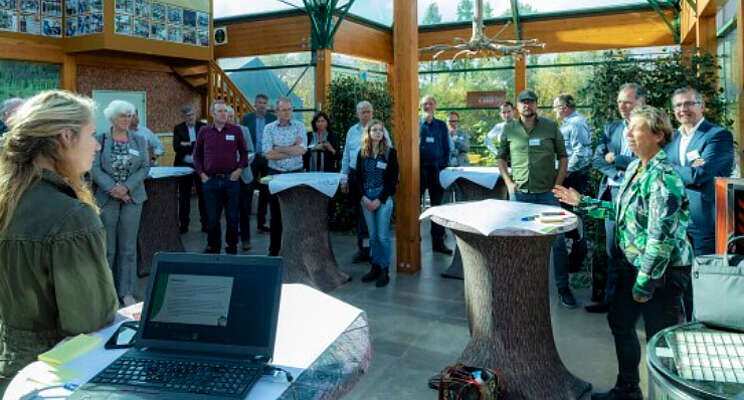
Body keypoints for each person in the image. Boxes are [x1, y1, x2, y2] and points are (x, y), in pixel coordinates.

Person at [554, 105, 692, 400]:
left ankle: (667, 394)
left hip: (660, 273)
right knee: (620, 323)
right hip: (631, 265)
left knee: (660, 339)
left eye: (635, 128)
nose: (626, 133)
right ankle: (627, 390)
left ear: (657, 135)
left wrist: (644, 283)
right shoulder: (634, 167)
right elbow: (622, 212)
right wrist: (583, 202)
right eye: (627, 128)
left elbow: (660, 237)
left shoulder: (663, 177)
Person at [0, 90, 118, 394]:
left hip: (10, 369)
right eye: (92, 134)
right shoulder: (72, 217)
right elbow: (90, 323)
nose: (96, 144)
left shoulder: (9, 199)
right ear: (66, 136)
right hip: (54, 376)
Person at [495, 89, 574, 308]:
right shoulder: (509, 129)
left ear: (536, 105)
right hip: (520, 196)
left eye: (531, 102)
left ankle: (563, 288)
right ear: (518, 107)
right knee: (517, 242)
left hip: (547, 194)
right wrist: (509, 184)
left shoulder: (550, 127)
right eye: (523, 102)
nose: (527, 106)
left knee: (558, 241)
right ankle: (519, 286)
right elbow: (500, 158)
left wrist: (558, 184)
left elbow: (563, 157)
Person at [665, 86, 734, 321]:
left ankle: (701, 327)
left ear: (701, 105)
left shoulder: (717, 135)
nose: (683, 109)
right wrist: (685, 171)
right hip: (676, 222)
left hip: (703, 222)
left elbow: (700, 175)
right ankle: (687, 324)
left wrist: (668, 168)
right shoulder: (672, 138)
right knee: (681, 280)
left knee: (703, 279)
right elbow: (687, 173)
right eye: (678, 105)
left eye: (688, 104)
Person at [587, 83, 645, 313]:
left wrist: (619, 161)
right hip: (612, 194)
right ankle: (612, 302)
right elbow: (597, 159)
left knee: (638, 250)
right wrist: (616, 173)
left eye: (628, 101)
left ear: (642, 102)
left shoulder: (650, 126)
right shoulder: (611, 128)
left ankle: (639, 304)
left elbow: (646, 160)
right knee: (613, 250)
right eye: (620, 101)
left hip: (639, 196)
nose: (623, 106)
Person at [90, 100, 150, 307]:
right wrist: (113, 189)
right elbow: (94, 169)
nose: (127, 119)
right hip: (107, 199)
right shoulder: (100, 140)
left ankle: (127, 292)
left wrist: (126, 188)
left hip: (133, 199)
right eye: (123, 115)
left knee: (128, 248)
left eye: (129, 115)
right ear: (112, 118)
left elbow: (145, 167)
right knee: (107, 248)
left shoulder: (140, 140)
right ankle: (107, 292)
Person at [193, 100, 249, 254]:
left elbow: (244, 153)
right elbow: (196, 155)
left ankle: (231, 246)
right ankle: (213, 246)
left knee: (232, 217)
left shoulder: (235, 130)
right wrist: (202, 174)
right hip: (210, 180)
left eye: (225, 111)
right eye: (220, 111)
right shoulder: (204, 131)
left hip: (230, 181)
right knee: (212, 218)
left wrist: (238, 171)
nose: (224, 114)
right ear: (212, 114)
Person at [341, 101, 391, 263]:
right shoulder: (351, 132)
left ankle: (375, 252)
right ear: (357, 114)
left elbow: (389, 152)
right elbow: (346, 156)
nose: (366, 114)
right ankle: (363, 250)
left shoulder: (380, 130)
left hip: (375, 176)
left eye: (368, 111)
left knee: (377, 216)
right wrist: (344, 177)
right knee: (361, 216)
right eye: (363, 112)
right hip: (357, 176)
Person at [353, 119, 399, 288]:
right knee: (372, 237)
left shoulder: (389, 153)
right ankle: (375, 266)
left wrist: (379, 199)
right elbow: (357, 178)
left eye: (380, 130)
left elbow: (393, 181)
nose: (378, 133)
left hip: (383, 199)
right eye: (374, 130)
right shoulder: (361, 153)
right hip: (366, 198)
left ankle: (384, 270)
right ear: (368, 133)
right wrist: (363, 198)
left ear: (383, 133)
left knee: (382, 236)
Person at [553, 94, 592, 275]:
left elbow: (581, 152)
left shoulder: (576, 123)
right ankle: (570, 258)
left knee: (574, 216)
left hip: (574, 176)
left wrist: (566, 171)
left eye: (556, 107)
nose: (554, 111)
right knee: (566, 215)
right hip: (568, 174)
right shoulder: (567, 123)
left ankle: (577, 260)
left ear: (565, 107)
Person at [262, 97, 306, 256]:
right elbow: (268, 154)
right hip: (276, 175)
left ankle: (296, 251)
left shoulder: (300, 126)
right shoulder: (268, 128)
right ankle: (273, 251)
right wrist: (292, 147)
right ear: (276, 111)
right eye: (283, 110)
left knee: (296, 214)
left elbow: (301, 151)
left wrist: (279, 148)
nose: (287, 113)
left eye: (289, 109)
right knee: (276, 215)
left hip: (296, 173)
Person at [419, 95, 452, 254]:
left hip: (436, 171)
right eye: (425, 104)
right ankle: (413, 240)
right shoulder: (417, 124)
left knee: (437, 207)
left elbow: (446, 147)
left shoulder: (440, 125)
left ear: (435, 106)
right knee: (414, 207)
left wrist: (443, 166)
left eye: (431, 103)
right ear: (421, 106)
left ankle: (438, 242)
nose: (428, 106)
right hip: (418, 171)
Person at [241, 94, 276, 233]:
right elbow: (241, 137)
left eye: (264, 103)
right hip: (252, 158)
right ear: (255, 104)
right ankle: (245, 223)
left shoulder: (272, 119)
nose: (262, 105)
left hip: (267, 158)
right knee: (248, 188)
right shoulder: (247, 118)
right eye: (260, 102)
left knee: (265, 190)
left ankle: (261, 223)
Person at [172, 104, 207, 233]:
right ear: (183, 117)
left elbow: (205, 146)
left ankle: (205, 224)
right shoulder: (178, 128)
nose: (190, 118)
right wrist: (194, 144)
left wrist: (185, 144)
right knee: (184, 197)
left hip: (200, 166)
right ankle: (184, 225)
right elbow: (176, 147)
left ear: (195, 114)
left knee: (203, 195)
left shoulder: (203, 127)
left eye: (192, 115)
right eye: (187, 116)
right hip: (183, 166)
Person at [228, 105, 256, 251]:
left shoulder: (243, 130)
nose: (229, 118)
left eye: (231, 116)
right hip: (227, 178)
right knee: (230, 210)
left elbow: (251, 152)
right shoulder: (219, 132)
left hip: (244, 176)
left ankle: (246, 239)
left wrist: (239, 167)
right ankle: (231, 240)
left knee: (244, 210)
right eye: (227, 115)